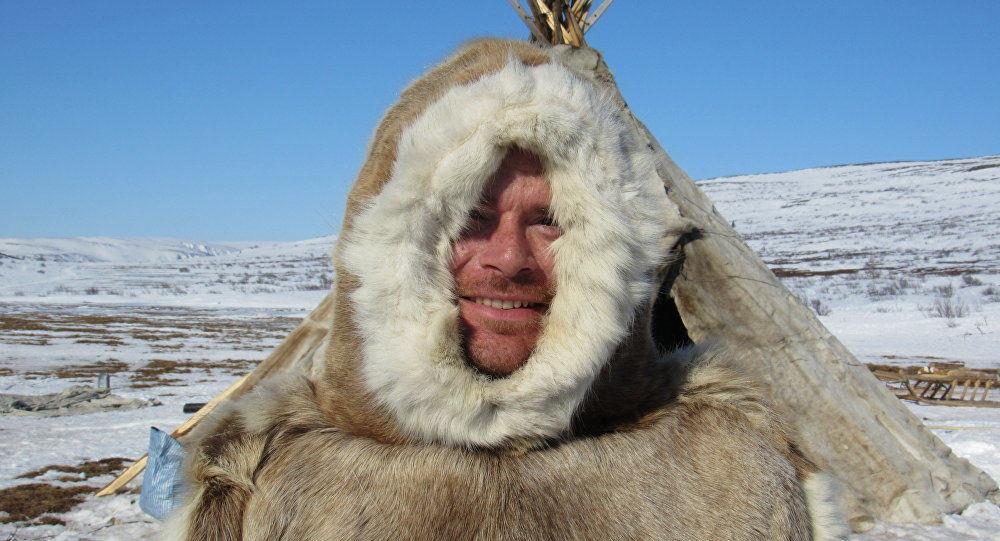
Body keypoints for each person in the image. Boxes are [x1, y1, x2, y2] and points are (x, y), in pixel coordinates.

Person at [165, 39, 847, 540]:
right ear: (398, 242)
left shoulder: (730, 473)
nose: (510, 259)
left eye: (550, 221)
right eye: (472, 215)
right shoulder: (264, 485)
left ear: (609, 248)